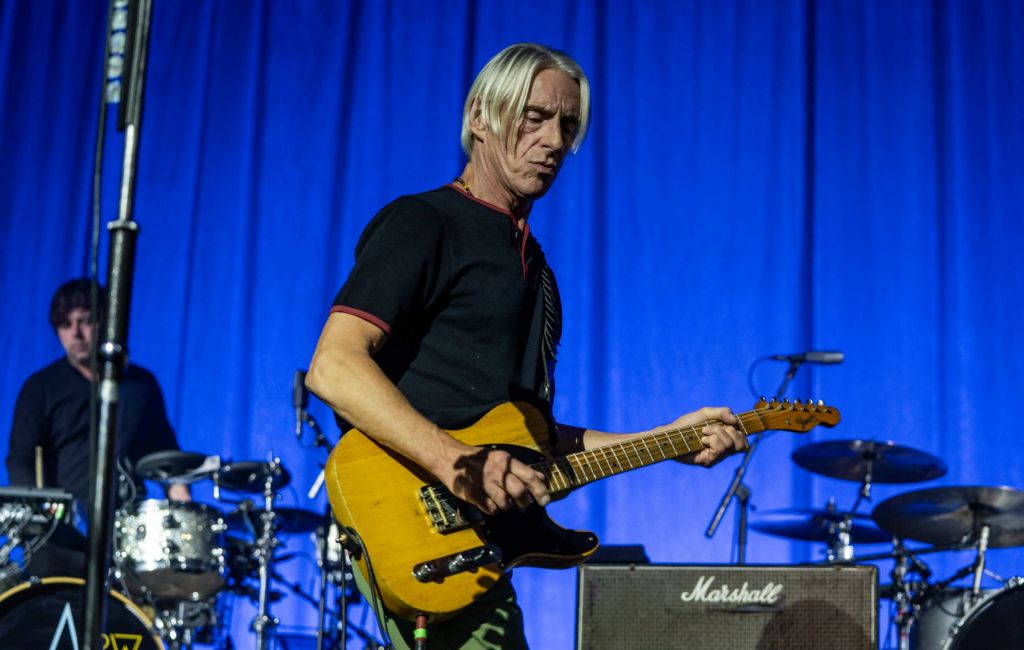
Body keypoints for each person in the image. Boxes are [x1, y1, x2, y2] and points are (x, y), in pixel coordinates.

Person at [305, 43, 748, 648]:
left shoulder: (535, 272)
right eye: (534, 117)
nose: (554, 140)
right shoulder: (425, 222)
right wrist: (457, 467)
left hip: (482, 549)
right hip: (421, 524)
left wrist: (666, 442)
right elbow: (333, 366)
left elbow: (528, 436)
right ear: (481, 116)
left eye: (568, 125)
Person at [5, 278, 188, 579]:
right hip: (57, 541)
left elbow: (165, 456)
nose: (75, 333)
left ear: (107, 322)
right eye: (66, 324)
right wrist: (37, 511)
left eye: (86, 321)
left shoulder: (141, 385)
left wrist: (181, 499)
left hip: (126, 539)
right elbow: (19, 457)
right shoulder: (41, 387)